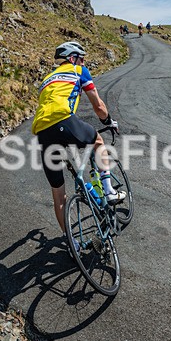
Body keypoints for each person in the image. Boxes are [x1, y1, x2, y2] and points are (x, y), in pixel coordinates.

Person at [32, 41, 126, 242]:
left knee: (58, 194)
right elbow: (98, 106)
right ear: (73, 58)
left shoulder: (46, 79)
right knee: (98, 141)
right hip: (64, 120)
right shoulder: (78, 70)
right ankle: (109, 191)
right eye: (81, 58)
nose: (84, 62)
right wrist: (109, 121)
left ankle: (71, 241)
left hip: (42, 132)